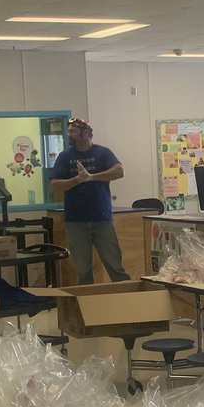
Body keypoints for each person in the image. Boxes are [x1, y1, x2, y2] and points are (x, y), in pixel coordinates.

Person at [50, 117, 130, 284]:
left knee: (115, 265)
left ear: (85, 133)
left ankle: (127, 302)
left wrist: (92, 177)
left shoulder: (102, 153)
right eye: (69, 131)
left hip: (102, 219)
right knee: (83, 271)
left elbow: (119, 171)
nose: (69, 134)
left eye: (73, 131)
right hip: (75, 221)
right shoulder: (65, 157)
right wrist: (77, 180)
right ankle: (88, 306)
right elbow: (55, 185)